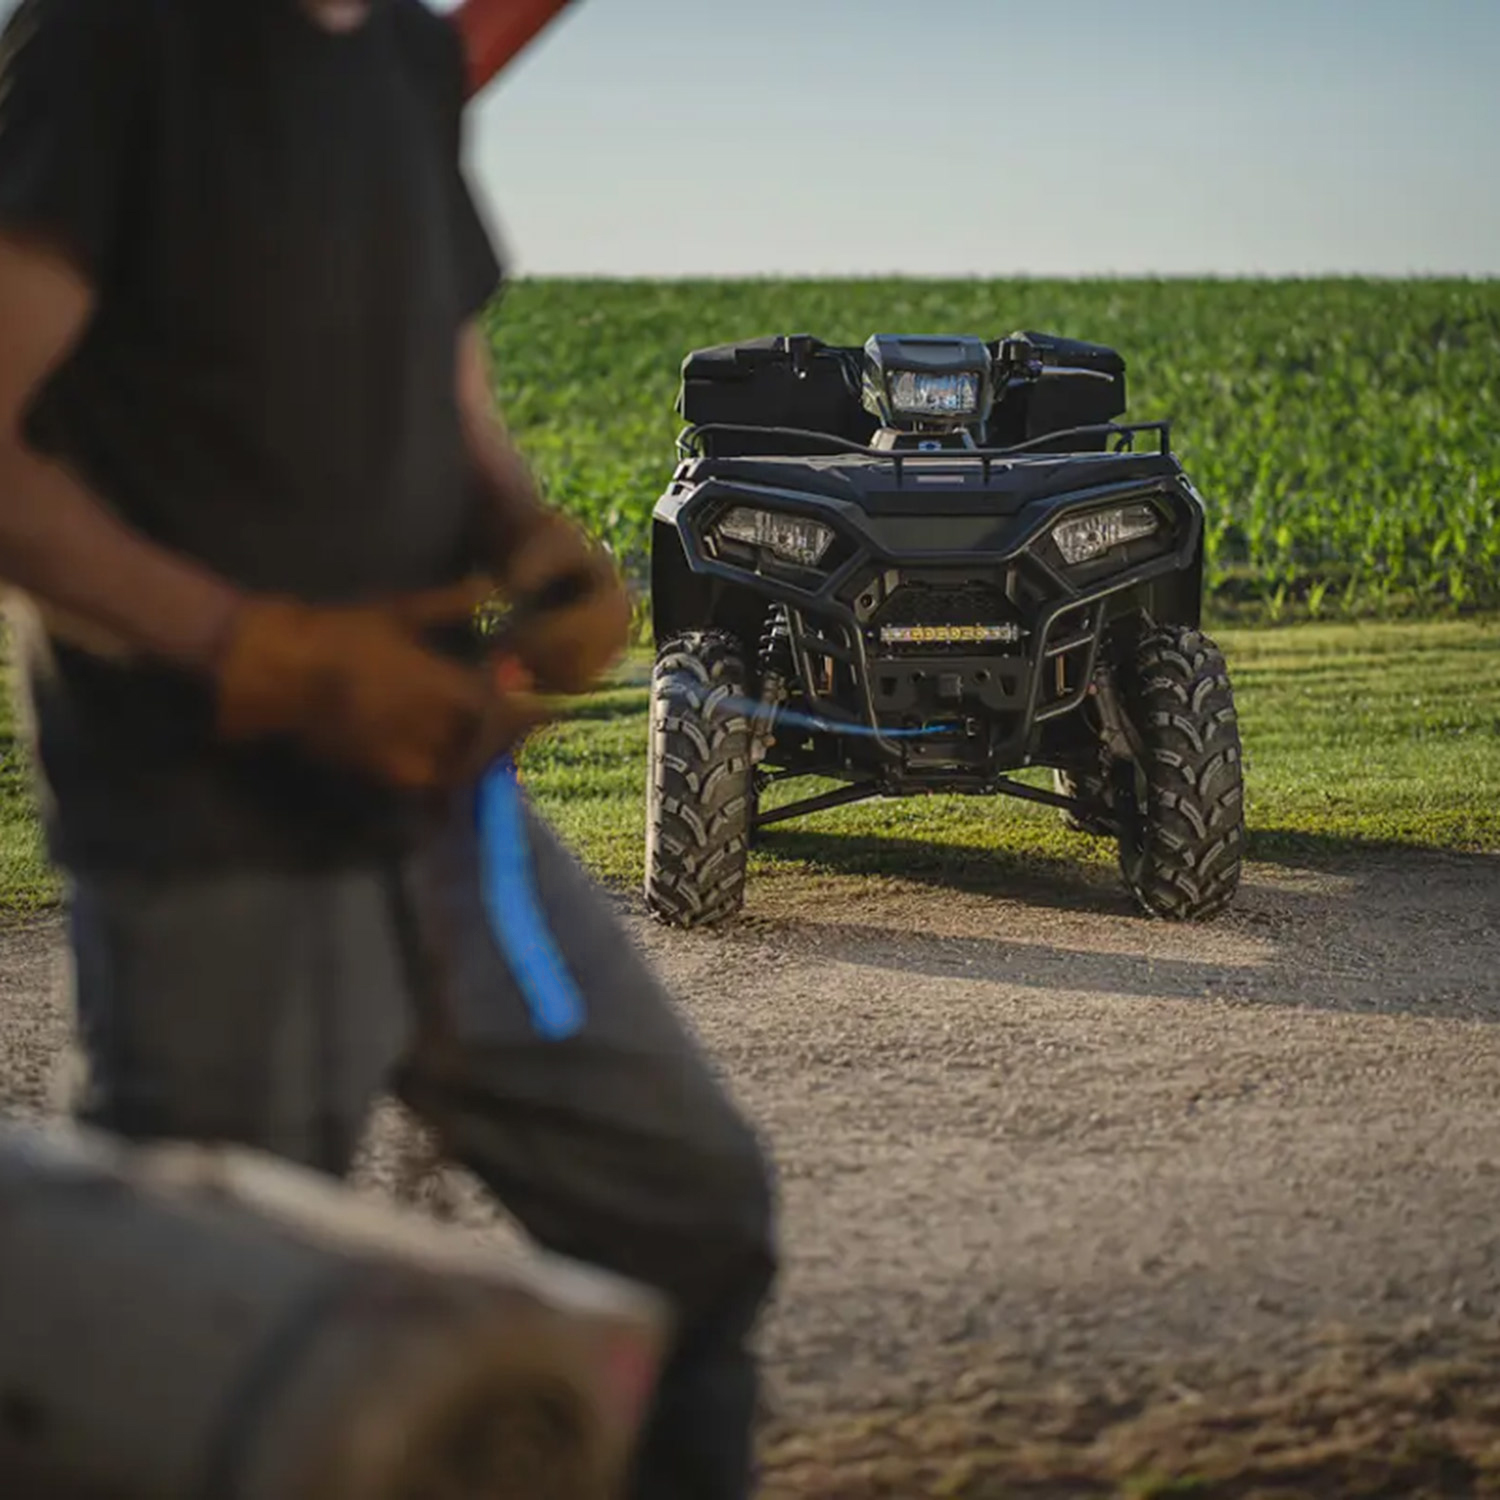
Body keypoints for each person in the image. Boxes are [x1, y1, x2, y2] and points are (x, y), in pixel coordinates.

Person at [0, 1, 777, 1495]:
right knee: (207, 1363)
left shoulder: (406, 58)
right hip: (212, 842)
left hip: (448, 817)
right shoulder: (111, 36)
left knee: (689, 1217)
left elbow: (448, 383)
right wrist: (265, 654)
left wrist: (529, 532)